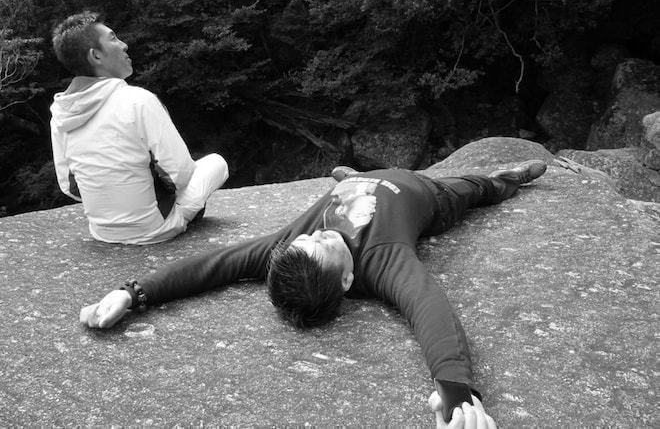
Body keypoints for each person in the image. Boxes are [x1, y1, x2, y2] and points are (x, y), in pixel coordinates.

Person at [80, 159, 548, 427]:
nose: (319, 233)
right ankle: (509, 177)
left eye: (310, 237)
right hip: (427, 192)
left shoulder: (290, 247)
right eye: (325, 243)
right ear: (346, 281)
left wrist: (134, 292)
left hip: (362, 181)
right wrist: (455, 388)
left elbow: (213, 265)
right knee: (474, 189)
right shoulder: (382, 260)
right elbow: (429, 306)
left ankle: (349, 176)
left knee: (349, 181)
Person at [49, 11, 229, 245]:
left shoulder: (61, 112)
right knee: (216, 163)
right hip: (154, 228)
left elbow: (69, 187)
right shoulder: (138, 100)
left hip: (103, 231)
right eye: (113, 39)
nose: (124, 45)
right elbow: (181, 173)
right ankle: (183, 217)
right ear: (96, 56)